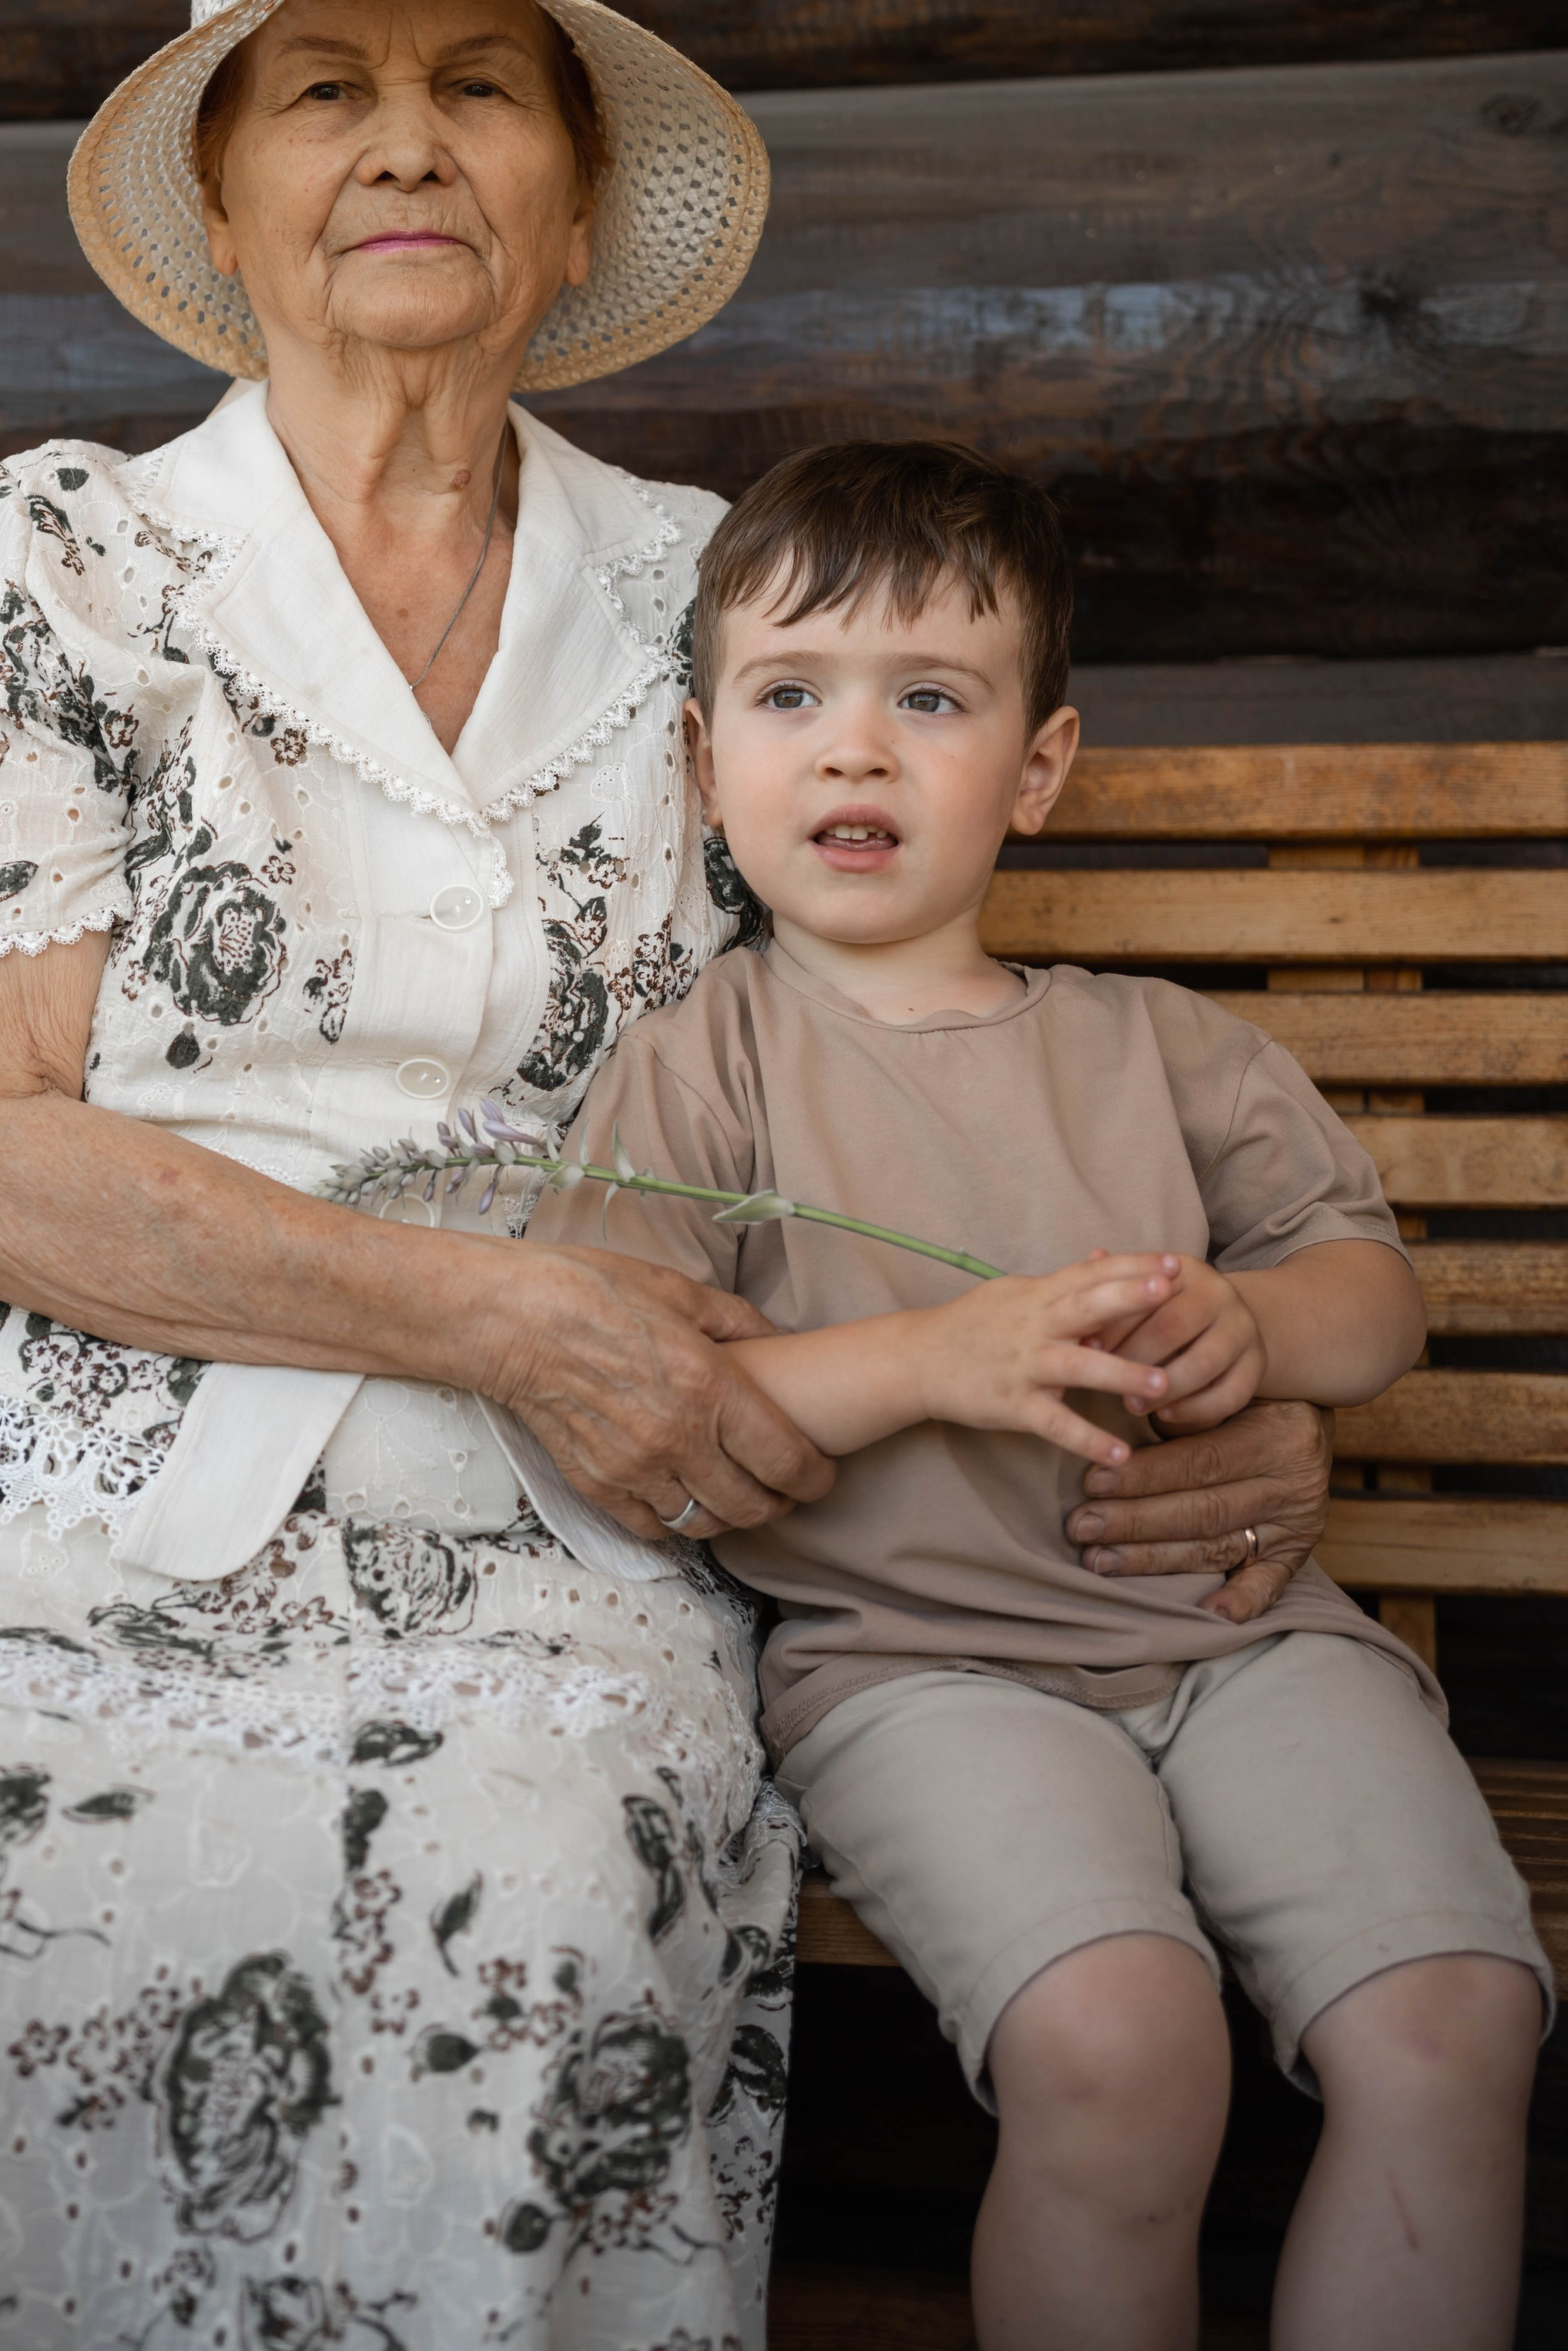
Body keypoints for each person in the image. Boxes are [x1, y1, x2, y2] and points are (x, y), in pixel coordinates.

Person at [0, 0, 1335, 2351]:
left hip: (557, 1506)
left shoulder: (713, 597)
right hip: (63, 1473)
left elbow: (862, 1093)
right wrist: (502, 1315)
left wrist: (1182, 1405)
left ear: (569, 188)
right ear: (228, 183)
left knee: (554, 1833)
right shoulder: (62, 553)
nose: (406, 139)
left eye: (477, 87)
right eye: (327, 90)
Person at [531, 439, 1552, 2351]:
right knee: (1117, 2042)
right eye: (789, 697)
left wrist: (1258, 1330)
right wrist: (936, 1360)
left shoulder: (1154, 1049)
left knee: (1451, 2020)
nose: (853, 753)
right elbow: (634, 1391)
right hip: (922, 1671)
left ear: (1038, 765)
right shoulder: (702, 1072)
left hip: (1246, 1638)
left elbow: (1370, 1295)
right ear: (697, 763)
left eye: (928, 700)